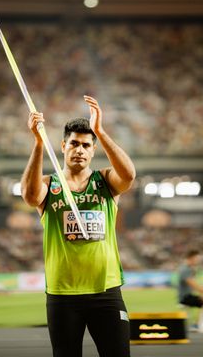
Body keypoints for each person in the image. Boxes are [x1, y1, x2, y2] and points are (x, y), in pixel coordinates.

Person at [21, 95, 136, 357]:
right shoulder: (50, 184)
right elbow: (29, 195)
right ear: (63, 146)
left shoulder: (105, 181)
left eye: (86, 145)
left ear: (93, 150)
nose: (80, 150)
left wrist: (100, 131)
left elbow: (129, 175)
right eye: (74, 143)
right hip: (63, 295)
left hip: (105, 291)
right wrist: (38, 143)